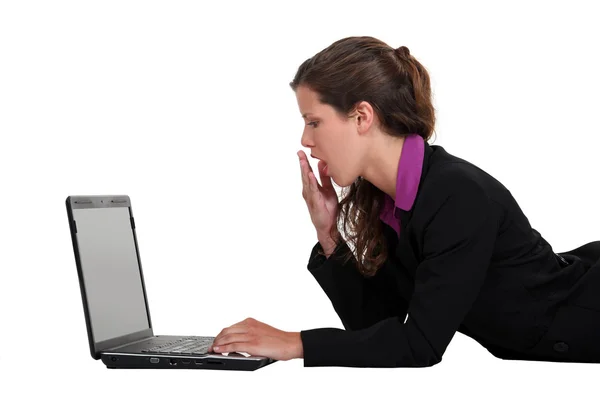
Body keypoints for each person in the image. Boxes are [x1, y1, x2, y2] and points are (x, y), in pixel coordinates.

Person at [207, 36, 600, 367]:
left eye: (314, 122)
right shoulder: (390, 198)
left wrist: (294, 343)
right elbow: (377, 324)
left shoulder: (455, 196)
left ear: (362, 116)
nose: (306, 140)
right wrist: (329, 233)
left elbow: (420, 345)